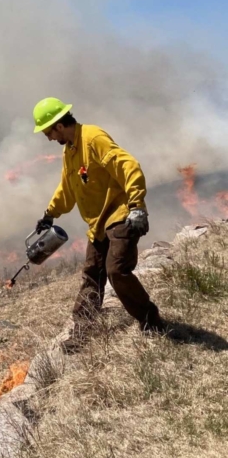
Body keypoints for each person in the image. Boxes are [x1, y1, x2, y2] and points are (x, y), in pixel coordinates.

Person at [32, 97, 167, 352]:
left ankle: (152, 322)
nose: (48, 138)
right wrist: (50, 213)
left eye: (48, 132)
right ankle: (81, 333)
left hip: (121, 214)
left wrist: (137, 206)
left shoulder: (93, 138)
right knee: (92, 275)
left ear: (59, 126)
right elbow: (67, 188)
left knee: (116, 270)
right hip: (98, 224)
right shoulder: (69, 151)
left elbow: (128, 165)